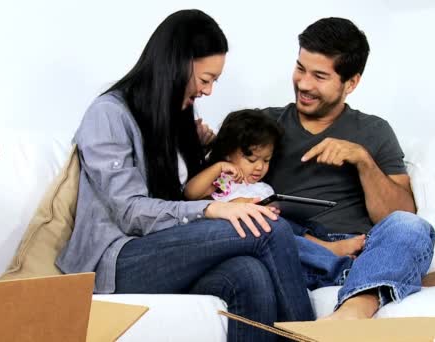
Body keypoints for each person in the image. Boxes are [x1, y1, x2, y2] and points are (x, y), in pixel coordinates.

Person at [55, 9, 313, 341]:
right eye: (205, 80)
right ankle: (314, 337)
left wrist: (206, 151)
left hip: (163, 253)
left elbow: (182, 192)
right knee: (267, 228)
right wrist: (209, 210)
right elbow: (132, 212)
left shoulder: (174, 119)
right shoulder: (108, 114)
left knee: (250, 276)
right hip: (117, 261)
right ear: (175, 65)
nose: (208, 91)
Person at [260, 17, 435, 320]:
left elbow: (398, 214)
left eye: (320, 76)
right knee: (256, 234)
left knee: (411, 228)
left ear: (351, 83)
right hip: (294, 246)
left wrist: (363, 160)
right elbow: (222, 190)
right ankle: (392, 280)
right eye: (300, 68)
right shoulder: (263, 126)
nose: (304, 84)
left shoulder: (374, 131)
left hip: (361, 245)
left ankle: (353, 310)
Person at [185, 108, 367, 258]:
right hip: (244, 233)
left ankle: (325, 250)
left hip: (278, 230)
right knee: (282, 232)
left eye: (266, 160)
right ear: (228, 152)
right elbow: (191, 193)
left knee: (298, 226)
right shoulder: (225, 179)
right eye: (251, 159)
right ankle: (327, 250)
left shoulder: (262, 188)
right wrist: (218, 168)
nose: (259, 167)